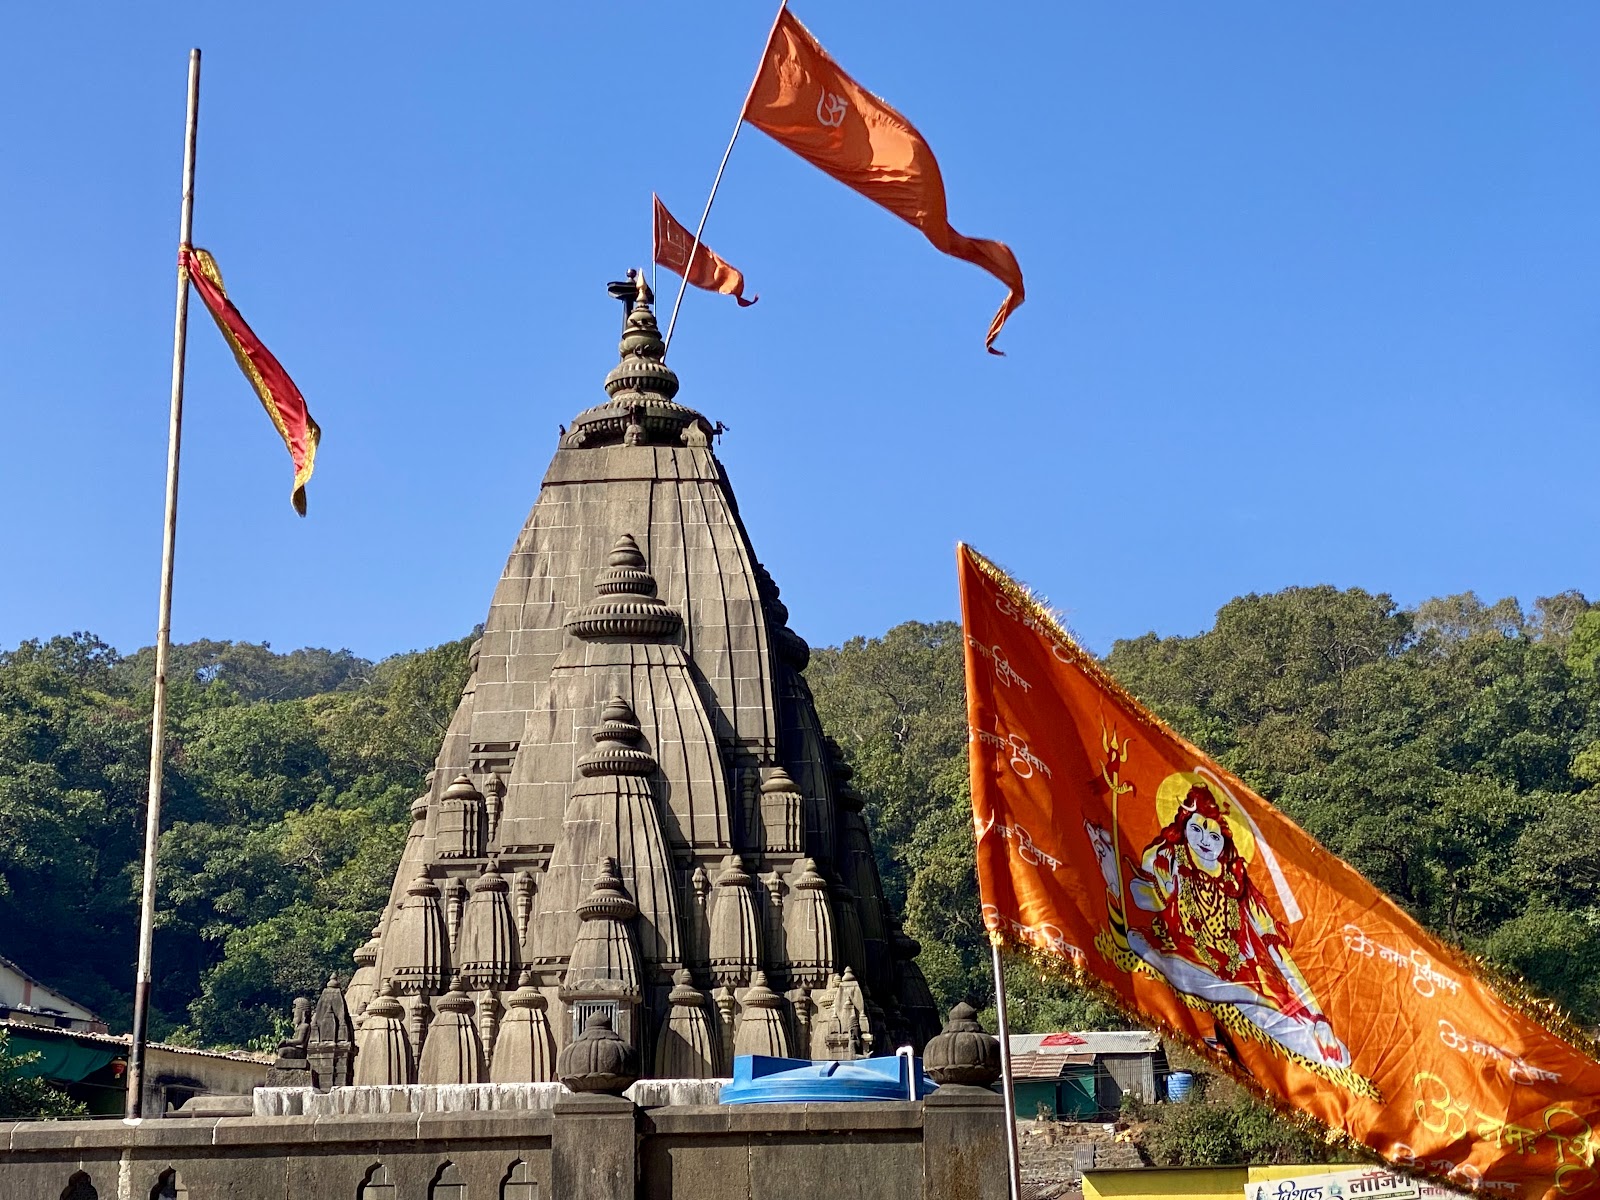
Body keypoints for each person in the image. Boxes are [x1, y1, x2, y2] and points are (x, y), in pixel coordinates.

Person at [1086, 775, 1349, 1069]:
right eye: (1196, 829)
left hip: (1244, 972)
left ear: (1225, 840)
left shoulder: (1239, 885)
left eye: (1214, 835)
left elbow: (1279, 955)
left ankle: (1281, 1018)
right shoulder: (1170, 861)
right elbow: (1141, 898)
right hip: (1189, 959)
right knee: (1139, 942)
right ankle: (1242, 997)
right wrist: (1111, 868)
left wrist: (1316, 1016)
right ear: (1182, 829)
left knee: (1307, 1037)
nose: (1204, 841)